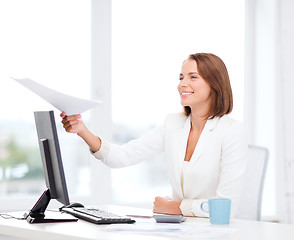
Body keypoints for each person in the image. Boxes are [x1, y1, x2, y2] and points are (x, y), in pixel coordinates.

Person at [60, 53, 248, 217]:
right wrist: (82, 130)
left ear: (214, 84)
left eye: (193, 77)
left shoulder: (231, 131)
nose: (183, 84)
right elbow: (122, 156)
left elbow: (226, 207)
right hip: (181, 229)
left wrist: (175, 207)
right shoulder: (173, 124)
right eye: (181, 77)